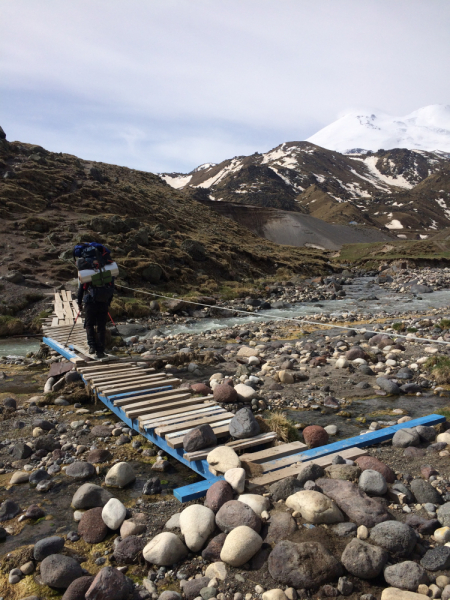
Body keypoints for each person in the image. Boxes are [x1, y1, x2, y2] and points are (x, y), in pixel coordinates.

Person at [76, 248, 114, 358]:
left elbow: (81, 289)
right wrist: (108, 302)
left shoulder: (87, 272)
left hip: (90, 301)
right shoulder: (107, 271)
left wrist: (79, 302)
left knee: (89, 324)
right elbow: (111, 288)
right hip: (103, 302)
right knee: (101, 327)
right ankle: (101, 351)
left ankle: (92, 346)